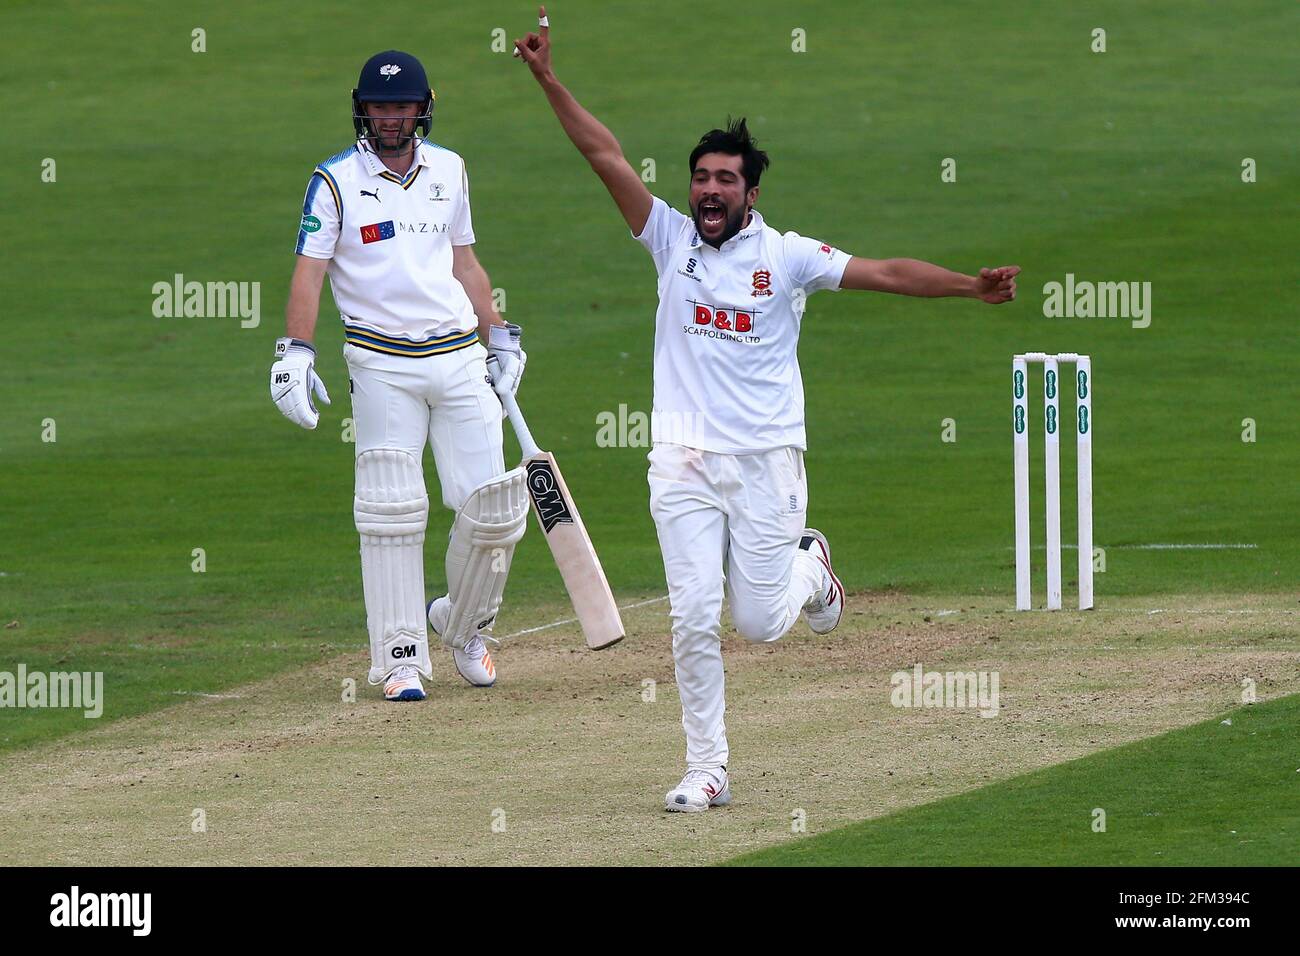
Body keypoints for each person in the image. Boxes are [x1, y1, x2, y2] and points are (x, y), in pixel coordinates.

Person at [513, 9, 1019, 811]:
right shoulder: (667, 238)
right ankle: (706, 767)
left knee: (755, 622)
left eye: (725, 181)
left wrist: (968, 285)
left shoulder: (785, 257)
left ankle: (811, 571)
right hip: (680, 455)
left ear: (751, 192)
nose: (709, 191)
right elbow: (601, 152)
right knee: (690, 619)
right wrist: (546, 78)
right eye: (701, 178)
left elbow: (884, 272)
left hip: (764, 459)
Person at [270, 50, 530, 701]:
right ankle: (400, 657)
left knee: (494, 507)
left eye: (402, 106)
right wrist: (296, 351)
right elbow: (311, 269)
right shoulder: (332, 181)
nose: (391, 117)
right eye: (381, 106)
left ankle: (465, 626)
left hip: (461, 356)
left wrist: (499, 334)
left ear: (422, 108)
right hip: (380, 360)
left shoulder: (450, 169)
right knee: (392, 508)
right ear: (364, 109)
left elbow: (464, 262)